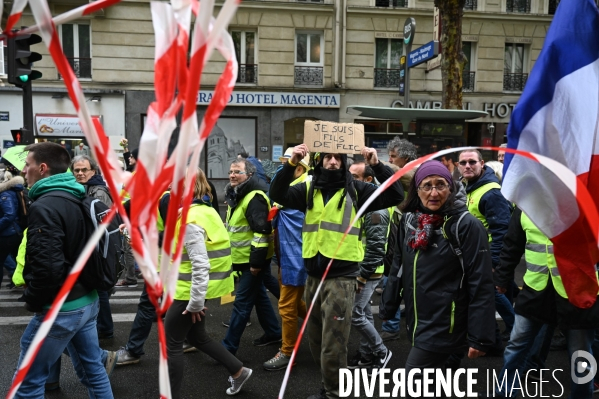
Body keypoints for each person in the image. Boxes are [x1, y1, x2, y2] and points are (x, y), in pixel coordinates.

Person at [270, 144, 403, 399]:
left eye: (338, 158)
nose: (333, 162)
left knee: (334, 344)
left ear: (343, 162)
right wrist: (291, 164)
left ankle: (334, 394)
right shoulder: (307, 189)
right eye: (328, 158)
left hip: (341, 277)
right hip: (313, 276)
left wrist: (376, 166)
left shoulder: (357, 189)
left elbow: (396, 195)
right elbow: (276, 192)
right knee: (316, 340)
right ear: (319, 162)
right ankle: (328, 387)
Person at [380, 160, 496, 397]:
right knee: (434, 385)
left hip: (447, 324)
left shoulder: (466, 225)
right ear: (417, 190)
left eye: (440, 185)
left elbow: (481, 283)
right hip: (418, 321)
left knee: (413, 383)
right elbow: (398, 266)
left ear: (451, 189)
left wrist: (480, 337)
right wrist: (388, 305)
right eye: (427, 186)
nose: (434, 192)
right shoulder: (410, 221)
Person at [16, 142, 113, 398]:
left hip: (63, 307)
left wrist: (34, 301)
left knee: (28, 384)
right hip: (88, 301)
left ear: (42, 168)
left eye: (28, 165)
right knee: (94, 371)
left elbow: (48, 269)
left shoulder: (45, 205)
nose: (24, 170)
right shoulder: (78, 195)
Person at [486, 208, 599, 399]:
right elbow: (513, 243)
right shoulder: (525, 203)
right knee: (516, 344)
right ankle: (504, 392)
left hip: (577, 293)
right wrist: (502, 278)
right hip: (535, 290)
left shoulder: (586, 201)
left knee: (581, 356)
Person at [165, 168, 251, 397]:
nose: (169, 189)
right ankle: (238, 371)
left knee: (171, 345)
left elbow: (200, 265)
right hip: (192, 291)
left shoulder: (190, 219)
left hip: (187, 293)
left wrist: (194, 302)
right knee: (197, 337)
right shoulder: (206, 211)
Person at [221, 158, 281, 355]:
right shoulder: (238, 194)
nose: (232, 175)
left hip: (251, 262)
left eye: (237, 172)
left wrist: (256, 264)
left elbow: (262, 233)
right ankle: (273, 332)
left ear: (249, 175)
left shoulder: (253, 197)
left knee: (242, 304)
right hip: (243, 259)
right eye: (231, 171)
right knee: (260, 298)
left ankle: (227, 348)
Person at [458, 150, 514, 344]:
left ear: (482, 164)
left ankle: (515, 329)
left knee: (492, 294)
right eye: (463, 162)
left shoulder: (491, 192)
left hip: (486, 256)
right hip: (475, 256)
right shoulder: (468, 186)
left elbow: (502, 230)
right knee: (497, 292)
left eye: (472, 162)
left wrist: (494, 261)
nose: (467, 166)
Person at [263, 148, 311, 371]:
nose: (281, 170)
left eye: (286, 166)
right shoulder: (293, 190)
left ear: (299, 168)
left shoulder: (299, 192)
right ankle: (324, 324)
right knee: (295, 304)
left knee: (286, 306)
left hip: (296, 261)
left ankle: (287, 351)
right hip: (287, 259)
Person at [347, 161, 392, 373]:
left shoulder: (376, 209)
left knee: (355, 315)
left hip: (368, 272)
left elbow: (375, 249)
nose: (349, 180)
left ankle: (382, 351)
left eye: (354, 177)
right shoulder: (360, 201)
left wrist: (362, 276)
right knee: (364, 314)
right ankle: (366, 355)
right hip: (360, 269)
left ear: (367, 180)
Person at [71, 155, 116, 339]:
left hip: (99, 249)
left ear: (93, 171)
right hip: (92, 247)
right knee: (98, 288)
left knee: (100, 288)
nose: (80, 173)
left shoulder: (97, 191)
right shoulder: (84, 188)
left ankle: (104, 328)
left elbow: (104, 223)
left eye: (84, 170)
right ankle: (102, 326)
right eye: (77, 170)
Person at [0, 169, 25, 288]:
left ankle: (15, 276)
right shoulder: (11, 191)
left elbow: (9, 215)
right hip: (13, 232)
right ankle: (15, 277)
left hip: (9, 233)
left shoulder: (5, 194)